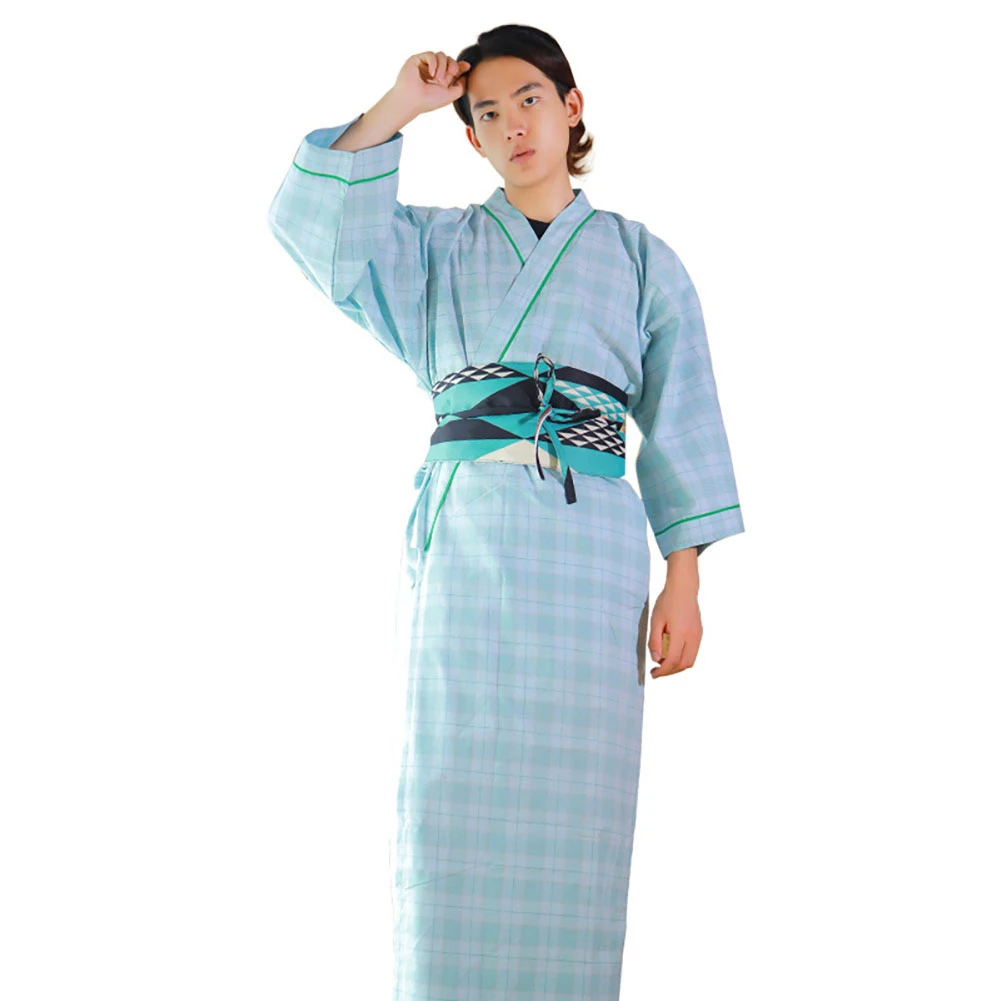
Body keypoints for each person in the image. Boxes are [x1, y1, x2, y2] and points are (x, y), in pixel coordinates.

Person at [267, 23, 744, 1001]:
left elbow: (680, 409)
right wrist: (402, 102)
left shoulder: (640, 258)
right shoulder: (432, 247)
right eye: (486, 112)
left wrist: (684, 576)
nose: (512, 125)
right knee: (451, 791)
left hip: (589, 556)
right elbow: (312, 226)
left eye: (528, 99)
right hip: (468, 546)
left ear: (570, 108)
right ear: (470, 135)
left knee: (578, 808)